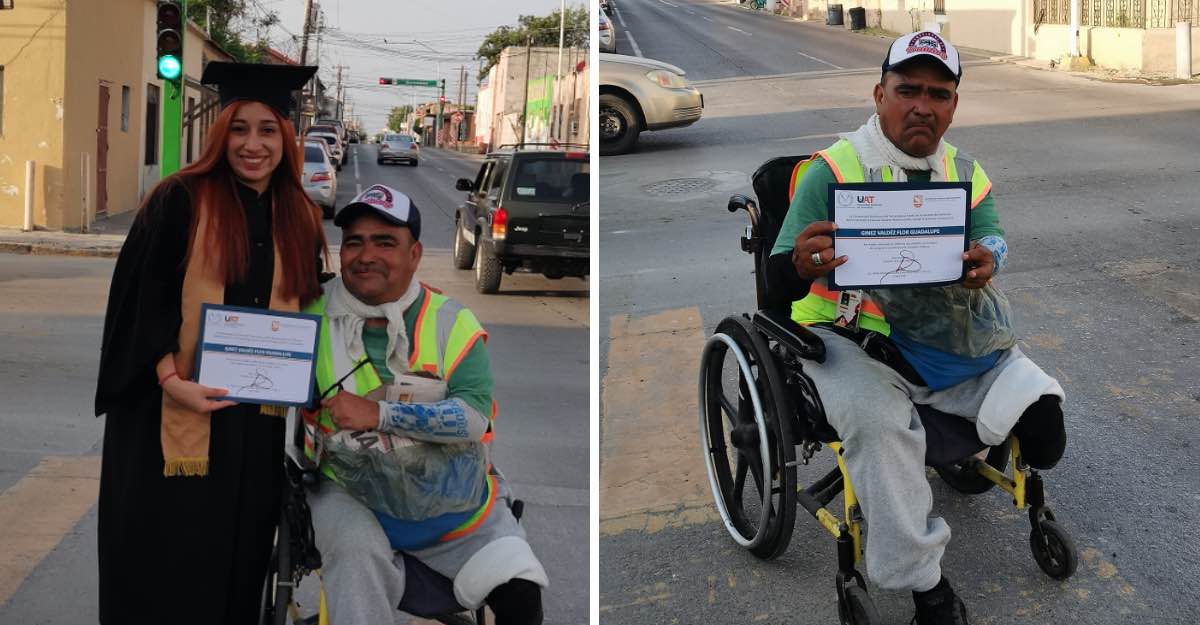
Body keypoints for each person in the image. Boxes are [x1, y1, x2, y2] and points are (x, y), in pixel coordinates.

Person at [769, 32, 1068, 625]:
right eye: (908, 90)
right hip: (845, 337)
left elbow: (993, 235)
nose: (922, 106)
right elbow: (776, 284)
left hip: (940, 334)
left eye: (939, 93)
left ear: (954, 104)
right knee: (882, 430)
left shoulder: (963, 170)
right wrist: (799, 266)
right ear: (880, 94)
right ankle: (923, 585)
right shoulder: (830, 171)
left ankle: (962, 438)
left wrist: (989, 257)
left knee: (1045, 430)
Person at [94, 63, 326, 624]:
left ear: (287, 137)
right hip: (167, 420)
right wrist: (173, 383)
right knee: (164, 566)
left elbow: (311, 308)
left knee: (235, 568)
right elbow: (137, 306)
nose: (253, 145)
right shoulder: (181, 199)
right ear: (219, 133)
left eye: (268, 130)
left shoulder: (298, 214)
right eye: (239, 129)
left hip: (252, 428)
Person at [301, 184, 547, 624]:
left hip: (452, 501)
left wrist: (380, 414)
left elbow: (474, 418)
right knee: (355, 557)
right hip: (352, 495)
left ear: (414, 254)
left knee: (521, 593)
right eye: (354, 242)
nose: (366, 254)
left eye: (384, 242)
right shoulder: (308, 316)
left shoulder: (451, 320)